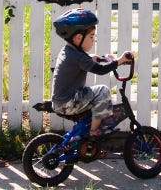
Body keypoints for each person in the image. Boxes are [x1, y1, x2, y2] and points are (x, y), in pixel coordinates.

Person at [50, 8, 133, 136]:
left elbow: (80, 61)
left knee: (93, 96)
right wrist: (120, 61)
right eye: (91, 36)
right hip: (67, 103)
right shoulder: (78, 57)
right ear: (78, 38)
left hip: (60, 102)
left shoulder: (69, 51)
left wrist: (91, 59)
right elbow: (100, 70)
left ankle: (82, 135)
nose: (93, 40)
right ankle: (94, 131)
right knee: (102, 91)